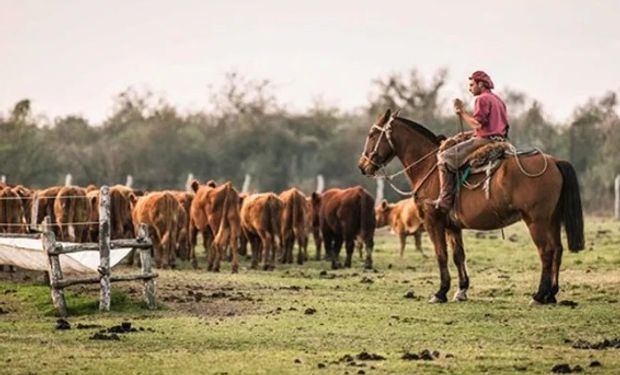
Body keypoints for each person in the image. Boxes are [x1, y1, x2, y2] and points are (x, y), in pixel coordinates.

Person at [425, 70, 509, 212]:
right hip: (500, 140)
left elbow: (477, 124)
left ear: (481, 84)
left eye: (471, 85)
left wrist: (462, 111)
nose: (469, 88)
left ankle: (445, 200)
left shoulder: (481, 99)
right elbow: (493, 127)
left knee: (444, 157)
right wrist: (468, 135)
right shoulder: (498, 100)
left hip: (485, 142)